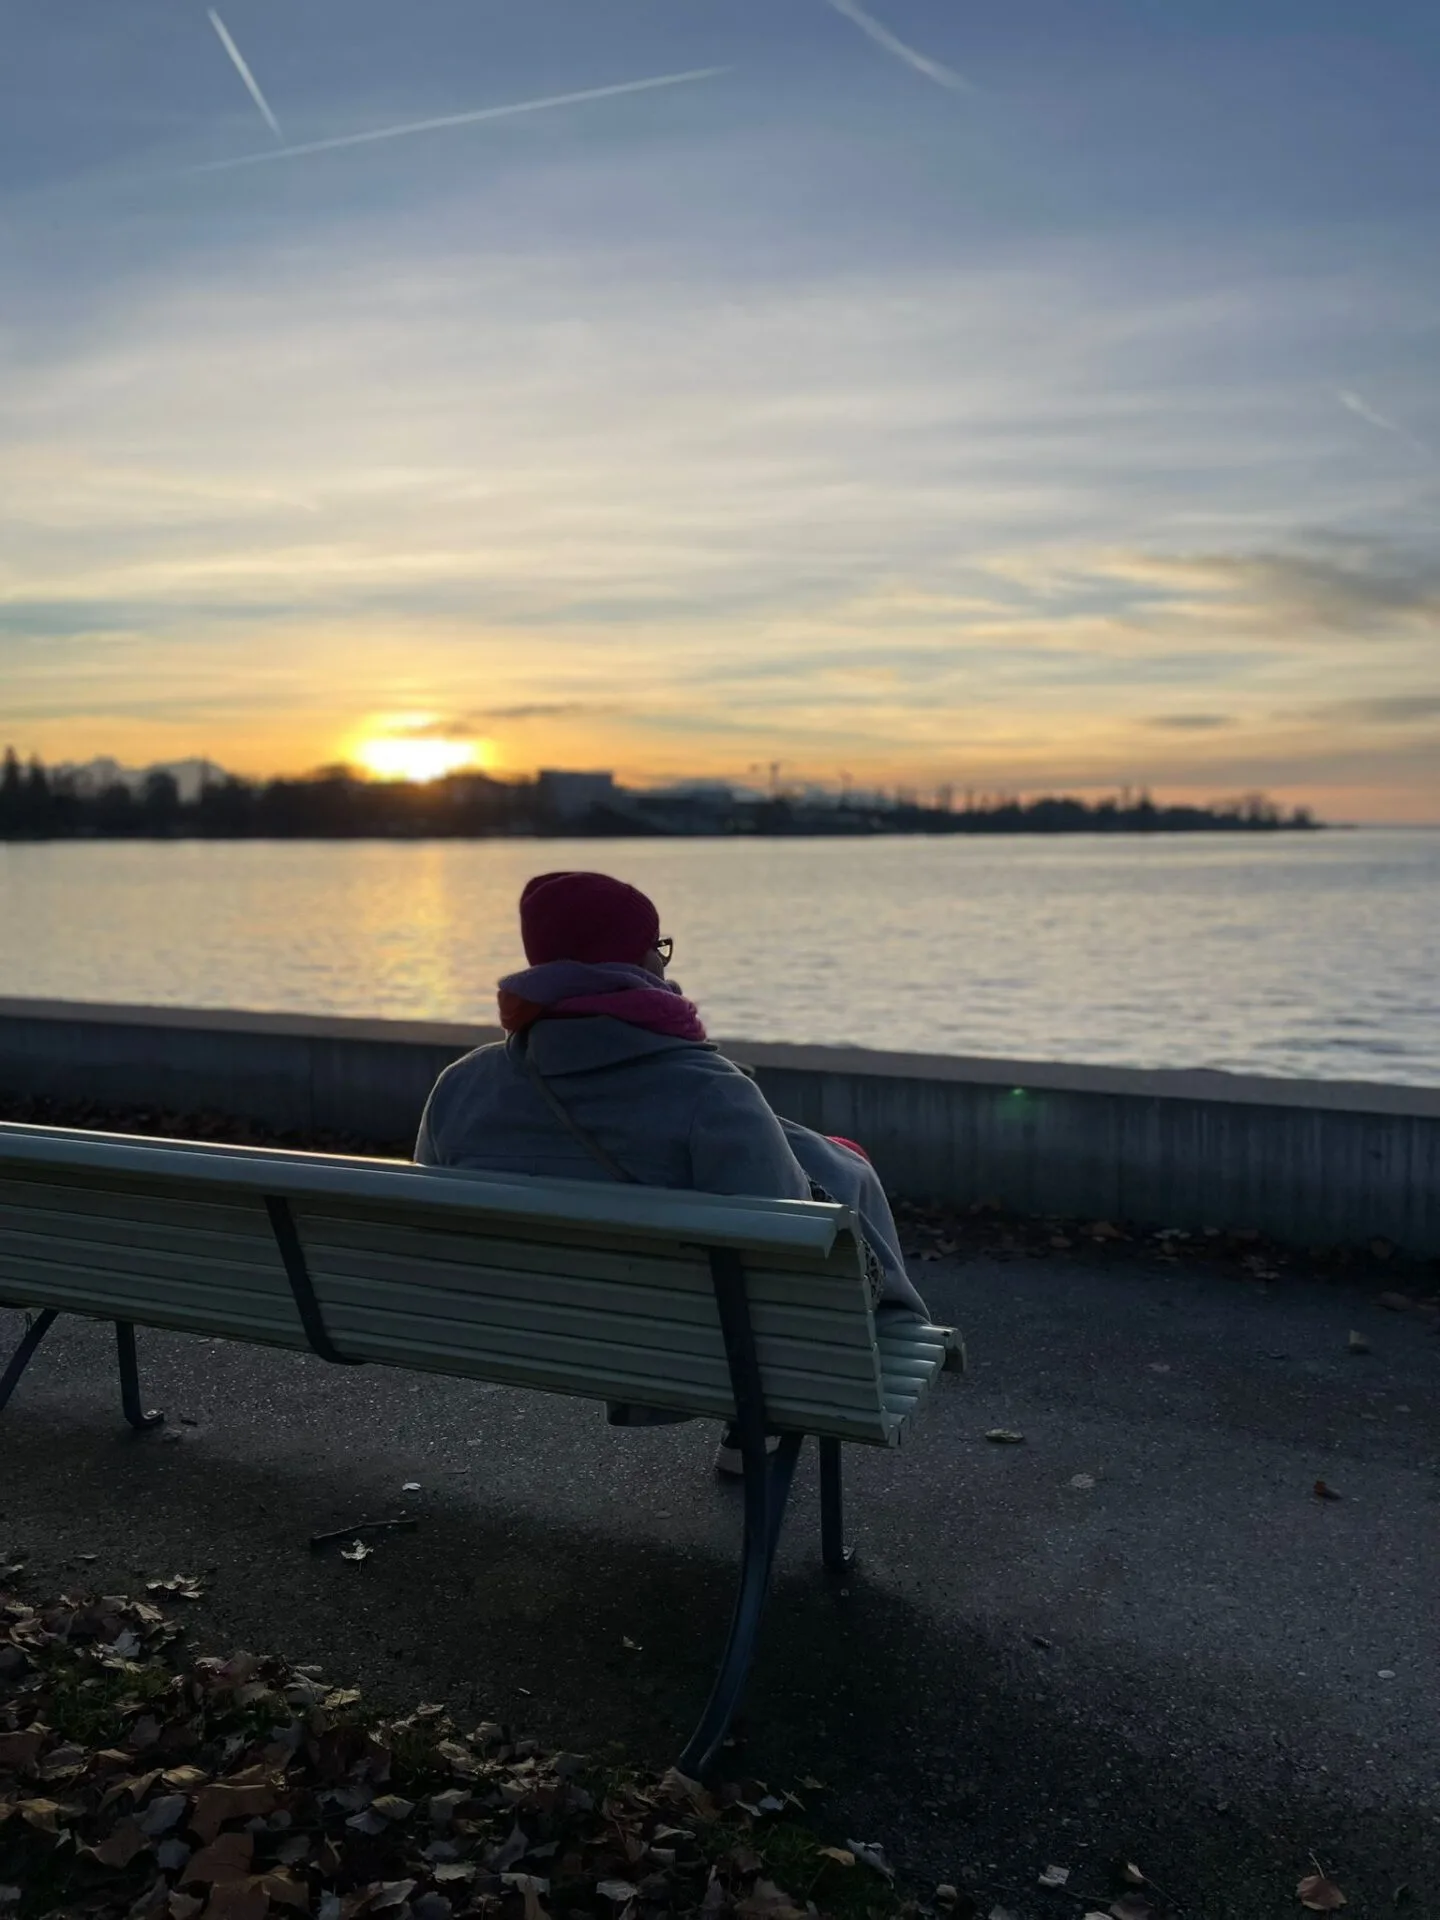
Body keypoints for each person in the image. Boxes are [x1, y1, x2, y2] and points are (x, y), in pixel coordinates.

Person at [415, 870, 928, 1471]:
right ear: (637, 960)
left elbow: (435, 1218)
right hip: (692, 1348)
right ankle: (755, 1422)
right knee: (832, 1182)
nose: (662, 963)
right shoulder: (712, 1094)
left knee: (813, 1155)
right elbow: (782, 1261)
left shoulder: (464, 1086)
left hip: (514, 1330)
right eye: (656, 948)